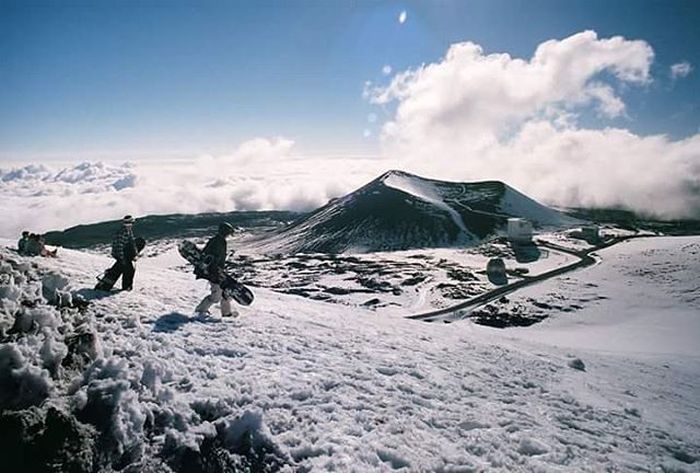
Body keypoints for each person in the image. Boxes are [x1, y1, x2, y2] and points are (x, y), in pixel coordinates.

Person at [195, 222, 237, 317]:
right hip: (213, 272)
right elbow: (210, 258)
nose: (228, 235)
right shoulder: (217, 242)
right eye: (228, 232)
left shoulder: (219, 241)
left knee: (225, 293)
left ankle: (226, 313)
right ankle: (200, 311)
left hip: (217, 271)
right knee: (216, 296)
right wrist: (214, 271)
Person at [96, 215, 138, 291]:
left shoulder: (128, 230)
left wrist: (134, 253)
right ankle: (126, 287)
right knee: (128, 269)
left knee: (125, 269)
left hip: (122, 253)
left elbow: (131, 241)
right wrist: (122, 259)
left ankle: (124, 286)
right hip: (120, 254)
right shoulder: (123, 232)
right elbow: (119, 246)